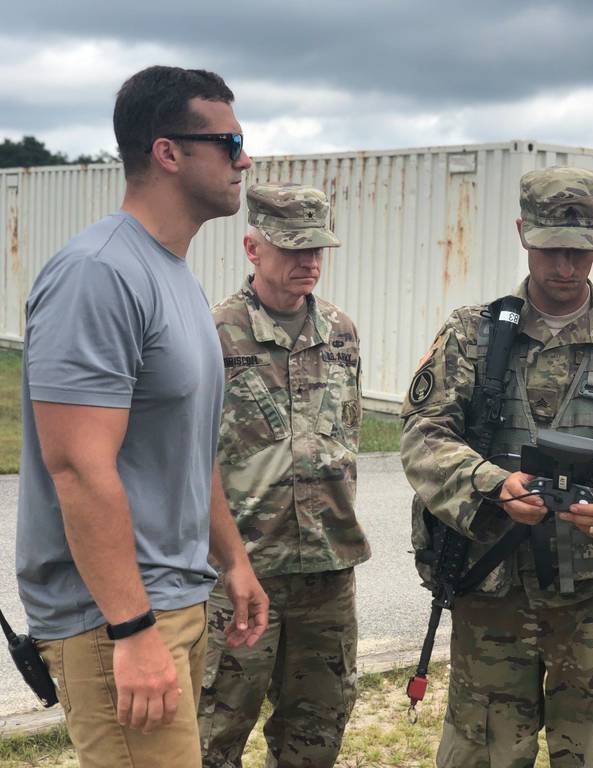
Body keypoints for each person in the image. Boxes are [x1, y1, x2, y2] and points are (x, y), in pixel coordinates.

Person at [401, 166, 593, 767]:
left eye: (580, 251)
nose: (565, 266)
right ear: (522, 234)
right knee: (483, 751)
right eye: (551, 249)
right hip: (493, 591)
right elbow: (422, 436)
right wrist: (489, 484)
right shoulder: (473, 336)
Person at [16, 65, 269, 768]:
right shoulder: (98, 273)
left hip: (173, 601)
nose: (243, 158)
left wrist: (233, 559)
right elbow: (77, 467)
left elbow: (184, 447)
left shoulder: (173, 275)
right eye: (229, 141)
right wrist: (131, 632)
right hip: (114, 618)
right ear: (168, 152)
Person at [198, 183, 369, 768]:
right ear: (252, 247)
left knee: (316, 733)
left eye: (317, 249)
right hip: (242, 571)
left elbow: (347, 434)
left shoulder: (340, 332)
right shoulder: (213, 332)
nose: (309, 262)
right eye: (293, 248)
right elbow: (191, 457)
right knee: (214, 733)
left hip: (328, 571)